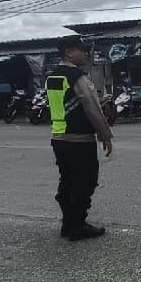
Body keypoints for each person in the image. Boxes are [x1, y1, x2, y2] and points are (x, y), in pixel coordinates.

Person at [47, 35, 114, 241]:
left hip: (59, 137)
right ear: (69, 52)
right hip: (79, 139)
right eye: (82, 49)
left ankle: (67, 225)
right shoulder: (77, 77)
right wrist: (105, 135)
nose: (86, 53)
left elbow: (66, 103)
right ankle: (78, 226)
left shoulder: (53, 76)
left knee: (67, 180)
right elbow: (92, 109)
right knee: (85, 181)